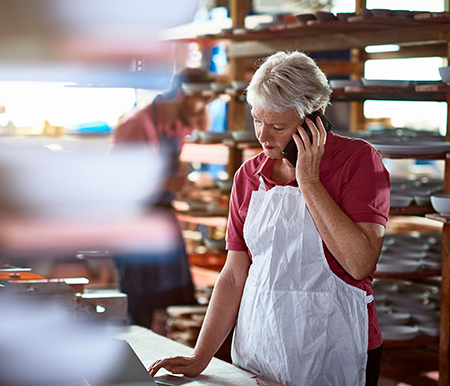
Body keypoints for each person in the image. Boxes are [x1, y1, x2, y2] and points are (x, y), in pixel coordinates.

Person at [149, 51, 390, 386]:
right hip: (262, 347)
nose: (263, 137)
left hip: (336, 347)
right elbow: (234, 275)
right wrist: (200, 356)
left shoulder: (358, 161)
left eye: (278, 126)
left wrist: (309, 181)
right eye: (257, 120)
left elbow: (359, 262)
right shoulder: (249, 175)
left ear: (314, 119)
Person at [110, 67, 215, 332]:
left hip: (162, 218)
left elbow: (204, 125)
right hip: (133, 222)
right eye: (200, 98)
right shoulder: (136, 126)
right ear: (181, 93)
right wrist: (167, 183)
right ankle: (137, 362)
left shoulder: (177, 122)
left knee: (173, 300)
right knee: (141, 307)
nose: (203, 107)